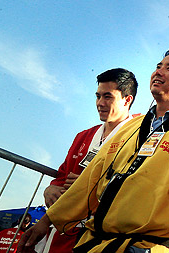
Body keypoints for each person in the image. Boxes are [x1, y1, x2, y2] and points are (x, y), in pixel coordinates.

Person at [18, 47, 169, 253]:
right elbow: (90, 178)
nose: (158, 71)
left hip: (143, 246)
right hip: (93, 243)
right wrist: (46, 221)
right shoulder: (132, 126)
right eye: (158, 66)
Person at [42, 68, 138, 252]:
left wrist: (90, 186)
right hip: (65, 229)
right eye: (98, 96)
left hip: (103, 233)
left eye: (108, 97)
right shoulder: (84, 136)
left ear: (127, 100)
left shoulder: (138, 136)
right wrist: (51, 188)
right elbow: (63, 176)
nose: (100, 103)